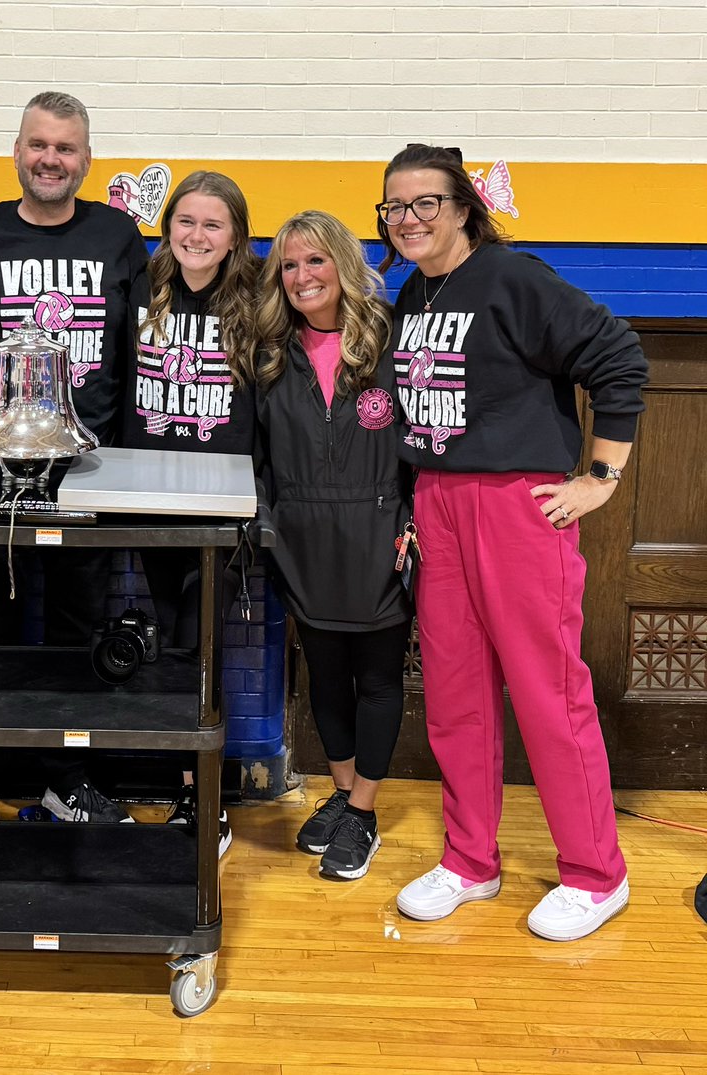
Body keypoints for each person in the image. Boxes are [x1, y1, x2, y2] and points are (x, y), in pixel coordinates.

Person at [377, 144, 647, 939]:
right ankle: (471, 859)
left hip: (515, 504)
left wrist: (600, 477)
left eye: (426, 203)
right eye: (394, 207)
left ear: (463, 206)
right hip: (439, 503)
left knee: (546, 692)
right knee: (456, 695)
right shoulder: (412, 294)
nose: (409, 219)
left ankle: (598, 873)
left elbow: (618, 358)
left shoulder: (513, 278)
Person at [0, 92, 149, 823]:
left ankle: (66, 779)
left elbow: (141, 348)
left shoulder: (119, 237)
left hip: (87, 471)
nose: (50, 158)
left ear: (86, 161)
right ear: (17, 150)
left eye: (65, 148)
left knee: (75, 631)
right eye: (39, 144)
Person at [253, 211, 413, 881]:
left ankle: (366, 810)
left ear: (342, 265)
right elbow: (259, 457)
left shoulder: (391, 341)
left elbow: (426, 437)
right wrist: (269, 527)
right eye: (289, 266)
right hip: (304, 541)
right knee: (324, 675)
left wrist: (413, 519)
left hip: (378, 536)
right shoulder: (269, 355)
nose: (301, 276)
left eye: (315, 261)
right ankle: (345, 794)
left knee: (375, 677)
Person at [120, 170, 262, 854]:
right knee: (174, 646)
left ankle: (206, 799)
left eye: (212, 224)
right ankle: (183, 783)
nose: (196, 235)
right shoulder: (140, 287)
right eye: (185, 221)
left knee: (200, 647)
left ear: (234, 236)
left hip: (222, 510)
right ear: (167, 225)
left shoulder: (259, 303)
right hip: (148, 499)